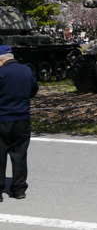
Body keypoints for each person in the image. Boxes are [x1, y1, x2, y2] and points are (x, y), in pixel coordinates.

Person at [0, 45, 38, 201]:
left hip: (2, 119)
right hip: (22, 119)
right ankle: (19, 189)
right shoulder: (27, 70)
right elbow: (33, 91)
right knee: (20, 155)